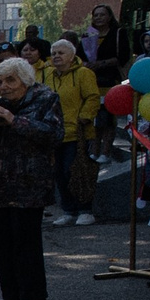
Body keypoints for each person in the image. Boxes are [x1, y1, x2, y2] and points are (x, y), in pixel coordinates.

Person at [0, 58, 65, 300]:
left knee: (26, 242)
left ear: (25, 80)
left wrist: (15, 120)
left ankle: (34, 297)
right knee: (1, 241)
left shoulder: (46, 99)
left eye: (10, 80)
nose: (4, 87)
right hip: (0, 184)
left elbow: (54, 135)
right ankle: (11, 295)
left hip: (30, 183)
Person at [38, 40, 100, 226]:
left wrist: (85, 116)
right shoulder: (48, 76)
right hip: (54, 133)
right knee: (59, 174)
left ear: (72, 56)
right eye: (54, 53)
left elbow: (92, 97)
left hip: (77, 133)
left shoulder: (84, 74)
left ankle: (85, 209)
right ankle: (68, 210)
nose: (56, 56)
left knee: (75, 172)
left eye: (61, 53)